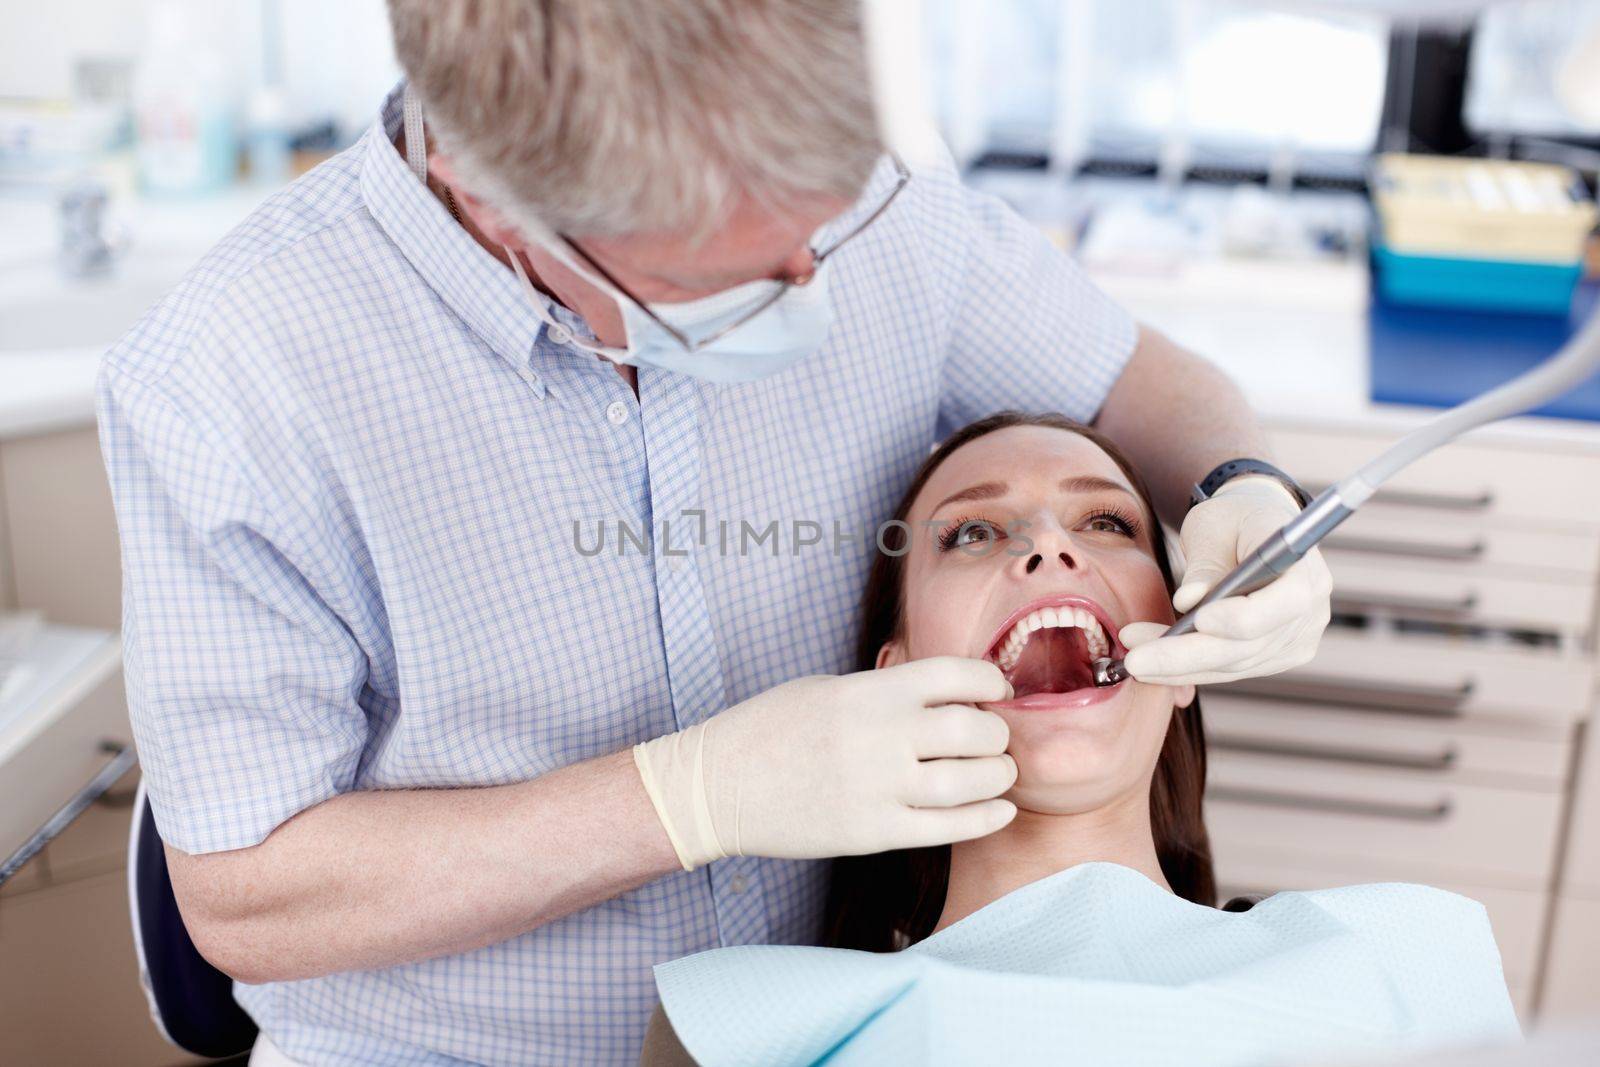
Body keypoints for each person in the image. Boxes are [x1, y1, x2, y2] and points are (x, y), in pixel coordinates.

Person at [96, 3, 1332, 1063]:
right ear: (494, 193)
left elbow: (1149, 390)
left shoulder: (885, 218)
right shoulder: (226, 383)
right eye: (732, 277)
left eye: (824, 228)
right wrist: (686, 796)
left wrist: (1242, 485)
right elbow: (246, 898)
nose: (814, 281)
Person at [640, 412, 1518, 1067]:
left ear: (1188, 657)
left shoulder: (1405, 950)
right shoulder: (737, 1021)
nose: (1050, 547)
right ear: (891, 678)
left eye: (1107, 523)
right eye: (972, 532)